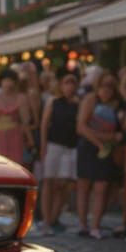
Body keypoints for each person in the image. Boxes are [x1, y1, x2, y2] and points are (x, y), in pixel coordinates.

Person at [75, 70, 122, 238]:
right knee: (84, 186)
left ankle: (95, 225)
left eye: (110, 86)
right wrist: (101, 141)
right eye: (104, 85)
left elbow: (120, 132)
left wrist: (108, 141)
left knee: (101, 187)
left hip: (107, 150)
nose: (107, 89)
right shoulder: (90, 100)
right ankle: (82, 224)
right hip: (89, 147)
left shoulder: (116, 104)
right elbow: (81, 127)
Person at [38, 69, 80, 234]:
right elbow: (44, 124)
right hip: (54, 145)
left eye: (73, 83)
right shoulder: (53, 102)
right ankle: (46, 220)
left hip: (70, 146)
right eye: (67, 83)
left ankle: (54, 217)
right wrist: (43, 146)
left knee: (64, 183)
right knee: (49, 181)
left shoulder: (78, 104)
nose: (70, 86)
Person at [0, 68, 32, 165]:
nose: (8, 83)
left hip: (14, 137)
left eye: (10, 80)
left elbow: (25, 121)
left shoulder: (21, 98)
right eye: (5, 80)